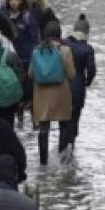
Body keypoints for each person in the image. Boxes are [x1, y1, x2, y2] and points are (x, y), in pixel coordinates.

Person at [31, 21, 76, 165]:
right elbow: (71, 74)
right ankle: (62, 160)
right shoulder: (66, 51)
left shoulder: (37, 51)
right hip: (61, 94)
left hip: (41, 96)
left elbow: (30, 74)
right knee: (64, 125)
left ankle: (43, 162)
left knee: (43, 128)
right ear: (59, 34)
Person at [64, 14, 97, 156]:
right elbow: (91, 70)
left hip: (63, 86)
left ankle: (62, 145)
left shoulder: (64, 43)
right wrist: (87, 82)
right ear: (86, 32)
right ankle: (71, 145)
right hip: (78, 88)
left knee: (63, 118)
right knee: (75, 117)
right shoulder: (87, 49)